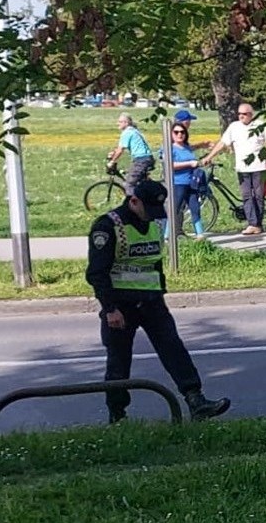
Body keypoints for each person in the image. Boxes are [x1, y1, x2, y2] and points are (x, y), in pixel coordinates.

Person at [86, 179, 231, 424]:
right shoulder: (108, 226)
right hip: (121, 306)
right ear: (133, 201)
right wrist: (110, 309)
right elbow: (97, 273)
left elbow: (153, 263)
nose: (152, 217)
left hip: (152, 302)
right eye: (148, 209)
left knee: (174, 350)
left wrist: (159, 292)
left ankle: (196, 401)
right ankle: (117, 416)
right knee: (119, 363)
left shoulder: (151, 223)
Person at [201, 103, 266, 235]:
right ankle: (253, 224)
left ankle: (257, 224)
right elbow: (222, 143)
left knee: (258, 196)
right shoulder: (234, 127)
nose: (241, 116)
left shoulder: (260, 125)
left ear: (251, 115)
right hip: (242, 168)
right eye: (239, 114)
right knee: (246, 195)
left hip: (259, 167)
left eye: (244, 114)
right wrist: (209, 156)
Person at [165, 122, 207, 240]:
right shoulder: (169, 148)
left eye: (182, 132)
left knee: (195, 208)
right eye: (176, 132)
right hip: (178, 183)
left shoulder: (187, 148)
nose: (180, 134)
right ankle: (167, 236)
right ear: (171, 134)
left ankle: (200, 234)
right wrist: (189, 164)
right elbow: (170, 165)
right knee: (175, 209)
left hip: (192, 183)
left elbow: (194, 161)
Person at [108, 112, 154, 195]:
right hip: (145, 158)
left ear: (126, 123)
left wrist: (112, 161)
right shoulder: (133, 130)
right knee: (139, 181)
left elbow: (120, 150)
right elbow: (120, 148)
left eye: (120, 122)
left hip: (141, 160)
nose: (117, 123)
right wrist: (113, 153)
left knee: (129, 184)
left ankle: (132, 205)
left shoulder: (127, 133)